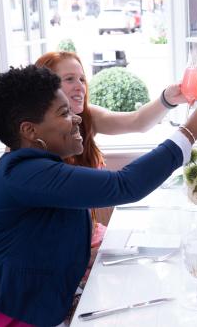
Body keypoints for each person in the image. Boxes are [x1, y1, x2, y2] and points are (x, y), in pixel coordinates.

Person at [0, 65, 197, 326]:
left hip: (25, 310)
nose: (76, 118)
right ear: (29, 129)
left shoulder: (38, 168)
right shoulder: (23, 174)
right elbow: (124, 186)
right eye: (63, 113)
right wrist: (189, 133)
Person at [35, 51, 187, 269]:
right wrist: (189, 135)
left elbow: (137, 122)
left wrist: (167, 99)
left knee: (168, 254)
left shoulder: (86, 117)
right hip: (66, 253)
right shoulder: (32, 142)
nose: (80, 86)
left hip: (92, 238)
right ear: (45, 87)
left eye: (82, 79)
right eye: (69, 79)